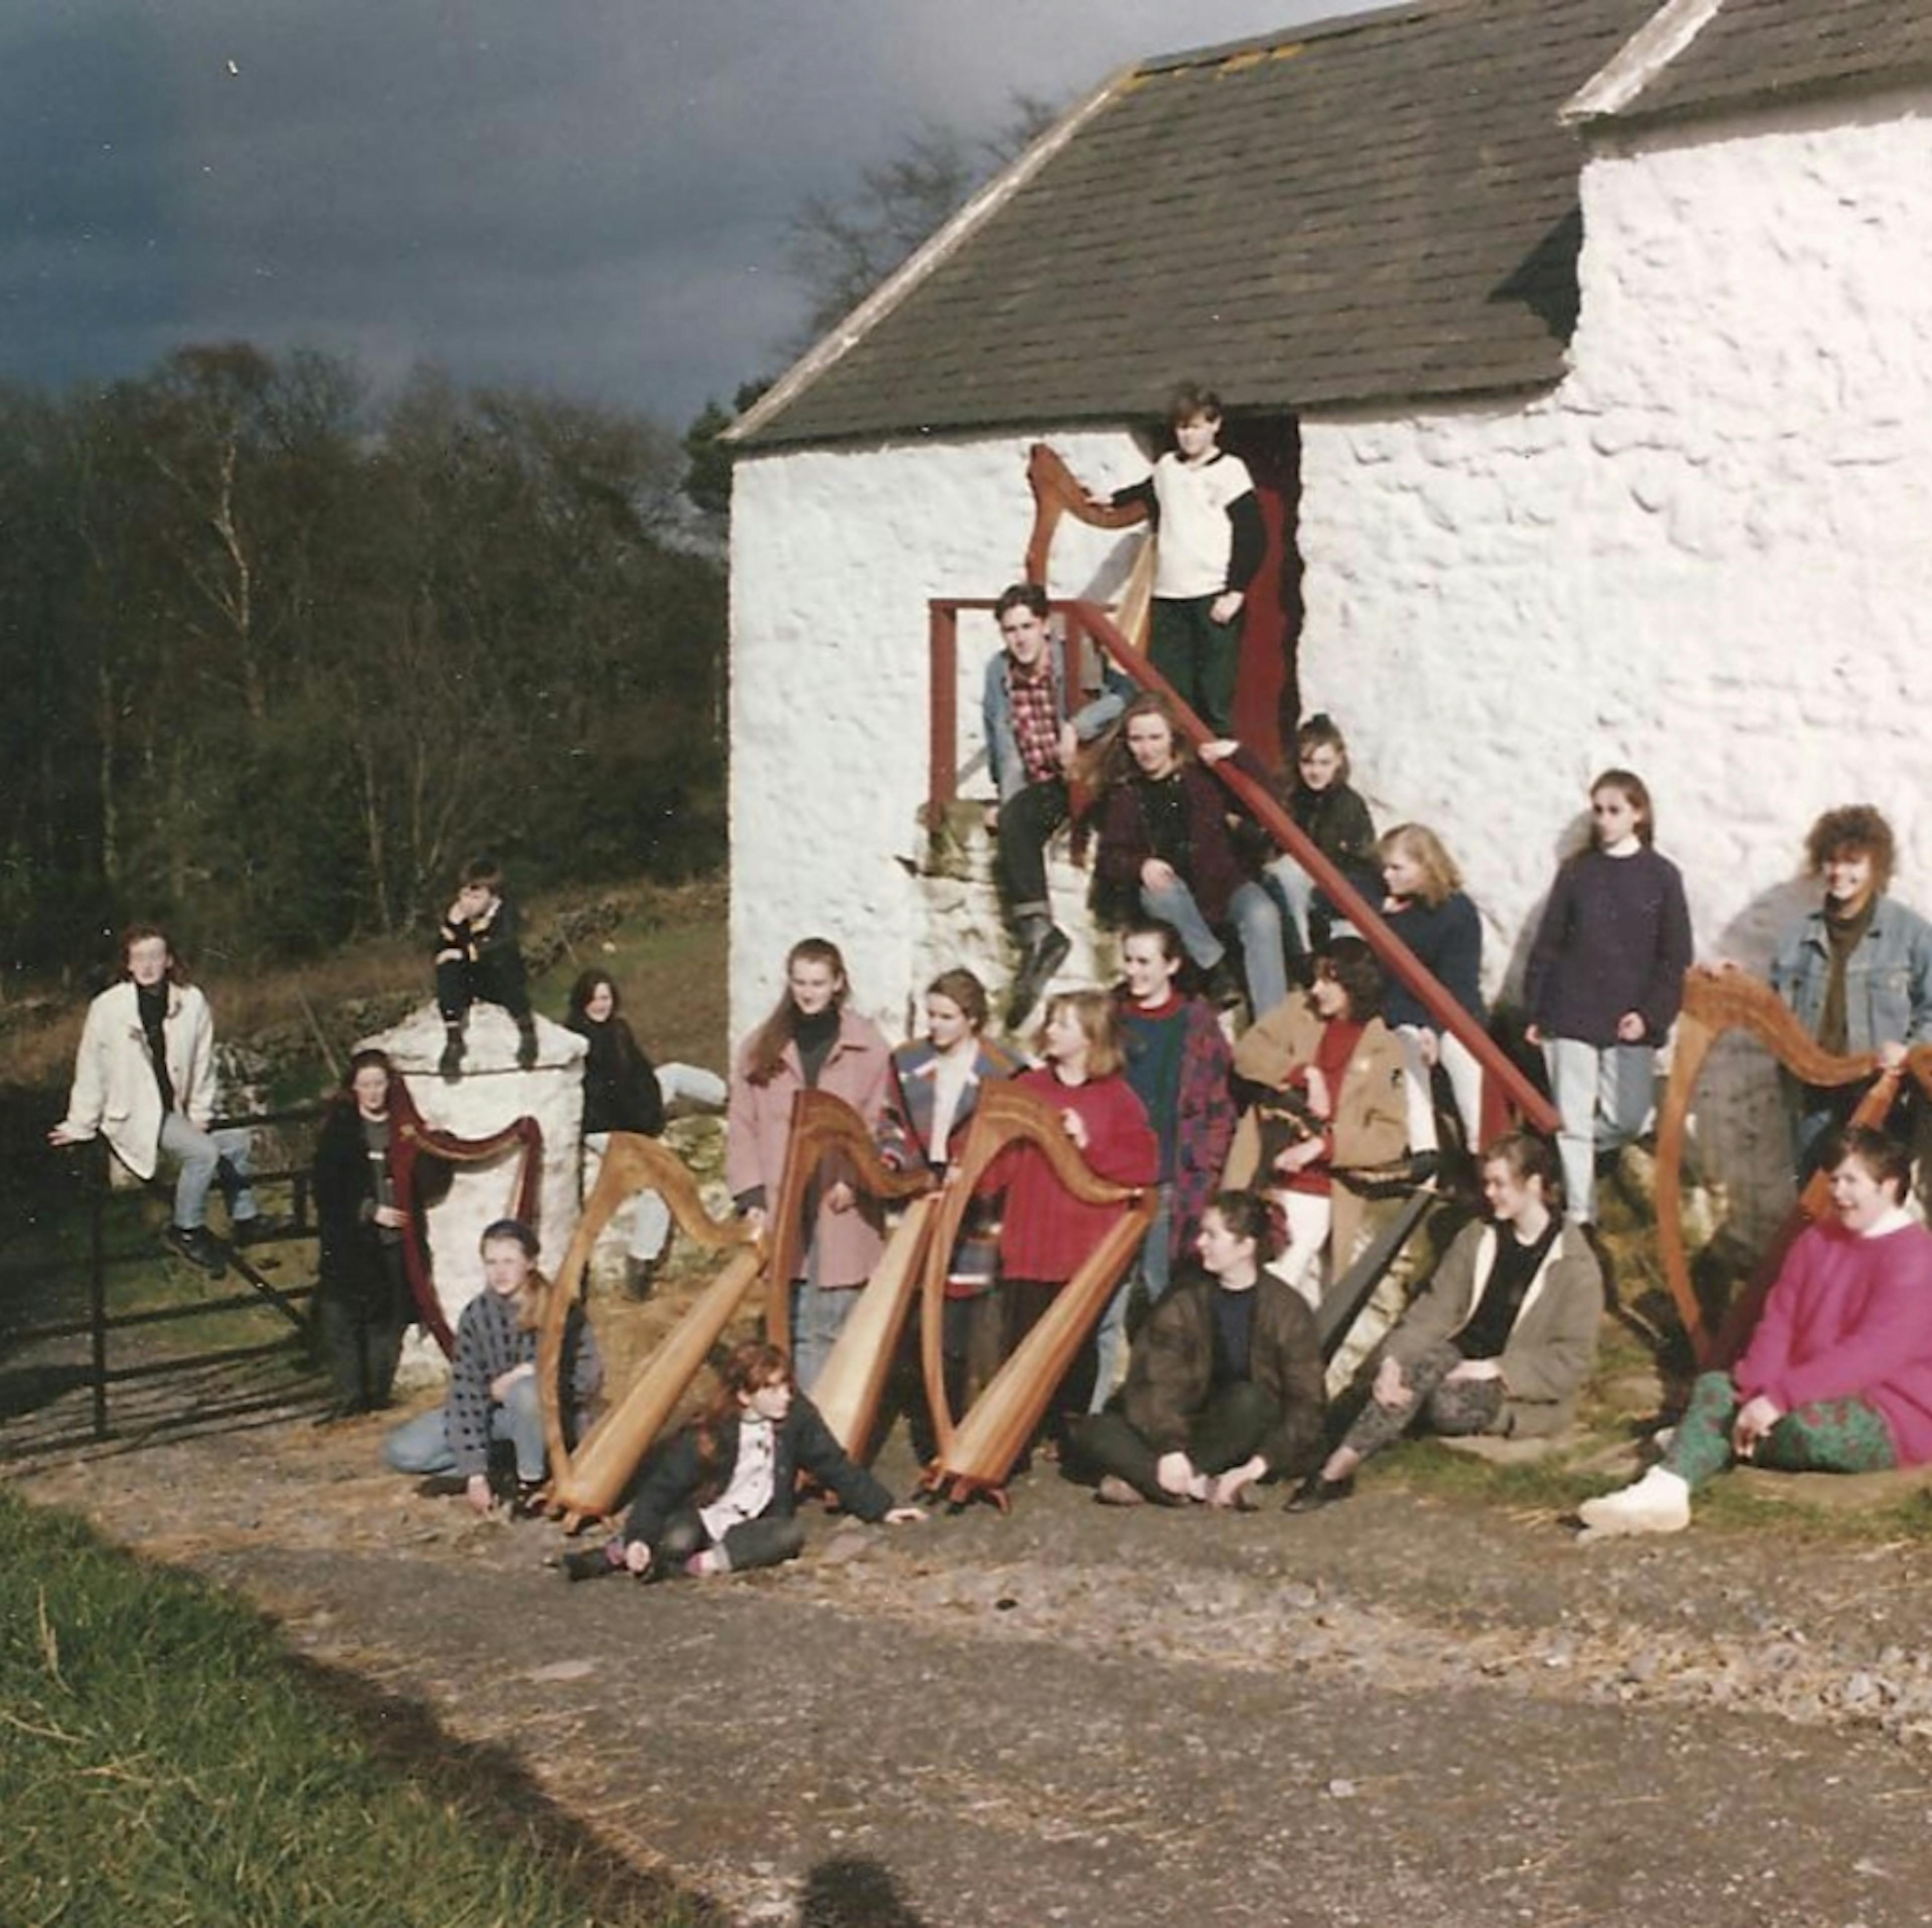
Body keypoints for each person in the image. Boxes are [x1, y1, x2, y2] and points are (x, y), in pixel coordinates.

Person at [1580, 1127, 1932, 1537]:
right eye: (1834, 1179)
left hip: (1890, 1412)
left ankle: (1705, 1440)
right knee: (1717, 1385)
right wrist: (1759, 1391)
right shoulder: (1815, 1241)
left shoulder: (1915, 1257)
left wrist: (1779, 1399)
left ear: (1889, 1186)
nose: (1838, 1192)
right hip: (1801, 1390)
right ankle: (1667, 1490)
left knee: (1810, 1431)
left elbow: (1872, 1354)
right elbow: (1778, 1322)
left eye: (1852, 1181)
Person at [1286, 1132, 1603, 1511]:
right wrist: (1393, 1363)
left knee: (1445, 1402)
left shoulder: (1575, 1266)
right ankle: (1336, 1470)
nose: (1489, 1193)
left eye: (1500, 1184)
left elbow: (1573, 1360)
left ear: (1534, 1185)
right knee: (1418, 1369)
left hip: (1508, 1383)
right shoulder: (1477, 1237)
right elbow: (1433, 1311)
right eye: (1487, 1182)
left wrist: (1494, 1368)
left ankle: (1341, 1452)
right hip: (1451, 1358)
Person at [562, 1340, 924, 1582]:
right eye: (772, 1389)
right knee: (676, 1538)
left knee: (788, 1534)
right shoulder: (710, 1433)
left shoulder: (797, 1416)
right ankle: (621, 1552)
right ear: (745, 1395)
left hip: (755, 1521)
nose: (785, 1396)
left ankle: (686, 1569)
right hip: (707, 1514)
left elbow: (833, 1464)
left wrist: (882, 1508)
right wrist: (641, 1534)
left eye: (787, 1386)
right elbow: (661, 1491)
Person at [49, 922, 278, 1275]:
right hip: (135, 1113)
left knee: (236, 1143)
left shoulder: (191, 1001)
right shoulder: (108, 1008)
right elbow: (91, 1067)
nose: (147, 965)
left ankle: (245, 1219)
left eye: (155, 956)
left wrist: (200, 1112)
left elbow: (203, 1061)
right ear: (127, 963)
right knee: (203, 1154)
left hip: (176, 1109)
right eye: (139, 957)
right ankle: (186, 1230)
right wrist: (80, 1123)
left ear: (169, 960)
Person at [982, 989, 1159, 1442]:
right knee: (1023, 1341)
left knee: (1077, 1349)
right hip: (1031, 1238)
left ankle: (1072, 1436)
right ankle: (1018, 1436)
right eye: (1051, 1021)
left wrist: (1089, 1145)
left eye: (1063, 1024)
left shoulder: (1117, 1097)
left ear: (1090, 1037)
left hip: (1085, 1244)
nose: (1051, 1030)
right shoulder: (1029, 1090)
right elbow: (998, 1162)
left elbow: (1144, 1163)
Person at [1073, 1191, 1323, 1509]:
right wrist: (1170, 1449)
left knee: (1249, 1400)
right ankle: (1201, 1486)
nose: (1199, 1243)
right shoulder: (1184, 1296)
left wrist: (1257, 1465)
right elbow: (1154, 1379)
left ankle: (1146, 1482)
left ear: (1246, 1246)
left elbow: (1308, 1404)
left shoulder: (1287, 1309)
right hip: (1180, 1425)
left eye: (1212, 1235)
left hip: (1242, 1432)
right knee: (1094, 1430)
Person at [1523, 770, 1694, 1226]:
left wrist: (1650, 1014)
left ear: (1638, 813)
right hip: (1570, 1011)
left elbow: (1675, 957)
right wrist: (1537, 1009)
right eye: (1597, 810)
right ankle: (1582, 1216)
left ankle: (1552, 1159)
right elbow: (1549, 944)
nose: (1604, 820)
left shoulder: (1662, 876)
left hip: (1630, 1020)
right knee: (1572, 1120)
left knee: (1631, 1119)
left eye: (1615, 810)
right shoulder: (1578, 872)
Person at [727, 937, 891, 1392]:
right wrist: (752, 1195)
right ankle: (794, 1416)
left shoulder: (867, 1046)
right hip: (782, 1200)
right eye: (799, 982)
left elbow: (881, 1123)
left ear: (838, 983)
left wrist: (856, 1180)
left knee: (833, 1321)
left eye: (818, 982)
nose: (807, 992)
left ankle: (825, 1421)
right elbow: (742, 1125)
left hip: (840, 1202)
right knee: (790, 1319)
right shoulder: (762, 1046)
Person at [1092, 920, 1236, 1411]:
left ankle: (1155, 1406)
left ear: (1172, 965)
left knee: (1160, 1292)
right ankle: (1092, 1409)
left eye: (1144, 962)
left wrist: (1205, 1168)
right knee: (1102, 1296)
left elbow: (1219, 1109)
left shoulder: (1198, 1025)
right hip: (1108, 1178)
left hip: (1170, 1179)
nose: (1133, 971)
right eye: (1128, 960)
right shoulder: (1109, 1015)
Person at [1223, 939, 1408, 1308]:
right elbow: (1247, 1054)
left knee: (1268, 1286)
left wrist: (1325, 1146)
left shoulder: (1385, 1048)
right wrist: (1303, 1074)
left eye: (1328, 981)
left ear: (1355, 985)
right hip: (1262, 1171)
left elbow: (1390, 1136)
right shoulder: (1298, 1011)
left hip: (1318, 1188)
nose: (1316, 989)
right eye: (1316, 978)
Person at [876, 969, 1019, 1432]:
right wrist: (891, 1160)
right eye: (930, 1015)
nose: (934, 1025)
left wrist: (974, 1171)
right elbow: (891, 1124)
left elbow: (1015, 1141)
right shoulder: (907, 1062)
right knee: (916, 1318)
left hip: (975, 1202)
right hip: (920, 1193)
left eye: (946, 1017)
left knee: (961, 1324)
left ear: (972, 1019)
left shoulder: (1005, 1070)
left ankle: (954, 1428)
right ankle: (926, 1418)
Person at [1088, 690, 1287, 1018]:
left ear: (1172, 738)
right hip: (1179, 901)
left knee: (1262, 913)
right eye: (1137, 739)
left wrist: (1238, 755)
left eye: (1155, 737)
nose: (1147, 749)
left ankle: (1273, 1022)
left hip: (1225, 885)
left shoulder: (1201, 777)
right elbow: (1110, 857)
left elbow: (1270, 800)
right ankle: (1216, 967)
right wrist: (1140, 865)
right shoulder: (1126, 792)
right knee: (1158, 893)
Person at [383, 1218, 603, 1513]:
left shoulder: (560, 1309)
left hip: (553, 1422)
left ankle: (531, 1482)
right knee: (403, 1451)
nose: (500, 1272)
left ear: (530, 1263)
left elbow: (588, 1378)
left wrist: (531, 1375)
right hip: (496, 1417)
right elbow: (466, 1394)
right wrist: (474, 1475)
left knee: (525, 1393)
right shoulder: (476, 1315)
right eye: (491, 1263)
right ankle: (500, 1465)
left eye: (509, 1262)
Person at [982, 582, 1127, 1026]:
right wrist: (1009, 804)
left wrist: (1077, 727)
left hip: (1081, 774)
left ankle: (1040, 942)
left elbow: (1125, 696)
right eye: (1011, 630)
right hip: (1040, 781)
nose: (1020, 638)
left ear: (1045, 626)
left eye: (1028, 626)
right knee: (1017, 821)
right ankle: (1041, 936)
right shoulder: (999, 672)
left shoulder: (1073, 657)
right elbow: (1002, 743)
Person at [1090, 381, 1264, 737]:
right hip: (1169, 598)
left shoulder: (1230, 471)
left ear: (1215, 426)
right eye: (1183, 427)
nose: (1189, 436)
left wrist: (1235, 593)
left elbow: (1253, 535)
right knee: (1169, 694)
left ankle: (1219, 781)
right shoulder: (1167, 467)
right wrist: (1109, 499)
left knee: (1214, 696)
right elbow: (1144, 492)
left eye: (1197, 426)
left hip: (1212, 597)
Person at [1767, 805, 1932, 1171]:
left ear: (1877, 866)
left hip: (1883, 1094)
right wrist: (1726, 976)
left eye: (1853, 862)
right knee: (1814, 1194)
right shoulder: (1797, 937)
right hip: (1814, 1097)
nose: (1839, 873)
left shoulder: (1910, 933)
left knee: (1874, 1201)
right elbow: (1770, 1013)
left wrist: (1908, 1050)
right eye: (1831, 861)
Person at [566, 968, 728, 1296]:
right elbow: (600, 1099)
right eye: (595, 999)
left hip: (637, 1111)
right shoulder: (577, 1041)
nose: (601, 1005)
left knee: (677, 1073)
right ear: (583, 1001)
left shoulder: (619, 1030)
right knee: (659, 1183)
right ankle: (641, 1261)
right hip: (606, 1127)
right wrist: (643, 1121)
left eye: (606, 998)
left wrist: (649, 1102)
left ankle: (729, 1095)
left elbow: (640, 1072)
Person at [1376, 823, 1486, 1159]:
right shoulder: (1391, 909)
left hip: (1451, 1009)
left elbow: (1459, 982)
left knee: (1464, 1058)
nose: (1387, 876)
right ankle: (1426, 1154)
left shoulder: (1457, 911)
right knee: (1407, 1050)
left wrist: (1436, 1028)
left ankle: (1483, 1148)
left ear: (1425, 866)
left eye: (1397, 868)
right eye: (1385, 867)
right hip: (1403, 1009)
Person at [312, 1049, 414, 1414]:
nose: (374, 1093)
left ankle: (378, 1393)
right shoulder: (341, 1131)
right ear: (354, 1088)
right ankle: (350, 1397)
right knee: (342, 1317)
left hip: (395, 1241)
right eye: (366, 1085)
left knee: (386, 1322)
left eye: (379, 1084)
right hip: (352, 1241)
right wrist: (369, 1211)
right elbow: (327, 1188)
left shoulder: (404, 1125)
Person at [1262, 712, 1379, 962]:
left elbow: (1364, 862)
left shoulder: (1349, 805)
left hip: (1334, 894)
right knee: (1288, 871)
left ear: (1339, 761)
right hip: (1292, 891)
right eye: (1308, 763)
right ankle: (1302, 954)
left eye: (1324, 763)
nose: (1316, 772)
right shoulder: (1288, 796)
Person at [434, 854, 534, 1080]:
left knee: (505, 969)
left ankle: (527, 1032)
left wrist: (465, 951)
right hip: (471, 980)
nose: (467, 901)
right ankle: (454, 1039)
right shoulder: (457, 915)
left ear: (493, 897)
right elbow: (441, 946)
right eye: (464, 894)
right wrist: (452, 930)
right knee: (448, 968)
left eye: (476, 896)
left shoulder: (504, 914)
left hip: (500, 981)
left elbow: (501, 945)